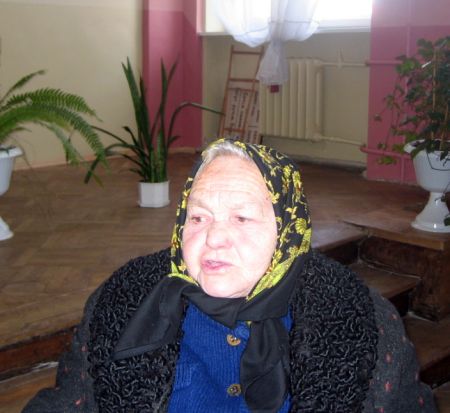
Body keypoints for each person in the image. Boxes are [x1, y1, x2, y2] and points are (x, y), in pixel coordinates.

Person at [24, 139, 437, 413]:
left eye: (241, 218)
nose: (213, 238)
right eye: (198, 217)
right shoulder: (122, 304)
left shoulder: (359, 320)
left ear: (288, 233)